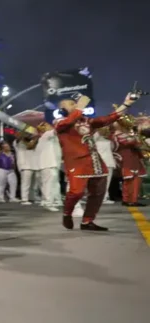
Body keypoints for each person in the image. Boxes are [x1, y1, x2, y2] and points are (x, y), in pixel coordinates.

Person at [55, 92, 139, 231]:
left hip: (94, 160)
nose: (75, 105)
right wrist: (80, 106)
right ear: (62, 109)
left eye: (75, 103)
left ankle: (87, 221)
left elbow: (107, 119)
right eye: (71, 104)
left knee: (98, 193)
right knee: (76, 192)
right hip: (76, 162)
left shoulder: (88, 121)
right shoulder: (60, 123)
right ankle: (67, 213)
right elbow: (69, 121)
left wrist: (126, 104)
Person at [111, 117, 147, 207]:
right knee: (133, 180)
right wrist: (136, 138)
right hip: (128, 159)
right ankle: (131, 200)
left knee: (130, 180)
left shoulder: (121, 135)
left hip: (131, 158)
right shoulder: (117, 135)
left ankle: (128, 199)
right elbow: (128, 143)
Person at [34, 122, 63, 211]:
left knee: (48, 185)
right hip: (48, 165)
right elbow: (57, 130)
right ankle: (48, 203)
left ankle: (48, 202)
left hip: (47, 165)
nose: (50, 127)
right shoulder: (46, 135)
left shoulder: (43, 139)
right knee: (49, 185)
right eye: (48, 126)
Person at [15, 133, 39, 204]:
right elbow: (28, 145)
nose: (29, 135)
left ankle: (32, 197)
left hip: (33, 165)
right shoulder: (18, 142)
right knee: (26, 183)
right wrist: (35, 137)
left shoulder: (32, 142)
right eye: (28, 134)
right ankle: (24, 199)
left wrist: (35, 137)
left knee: (33, 184)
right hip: (24, 166)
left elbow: (32, 145)